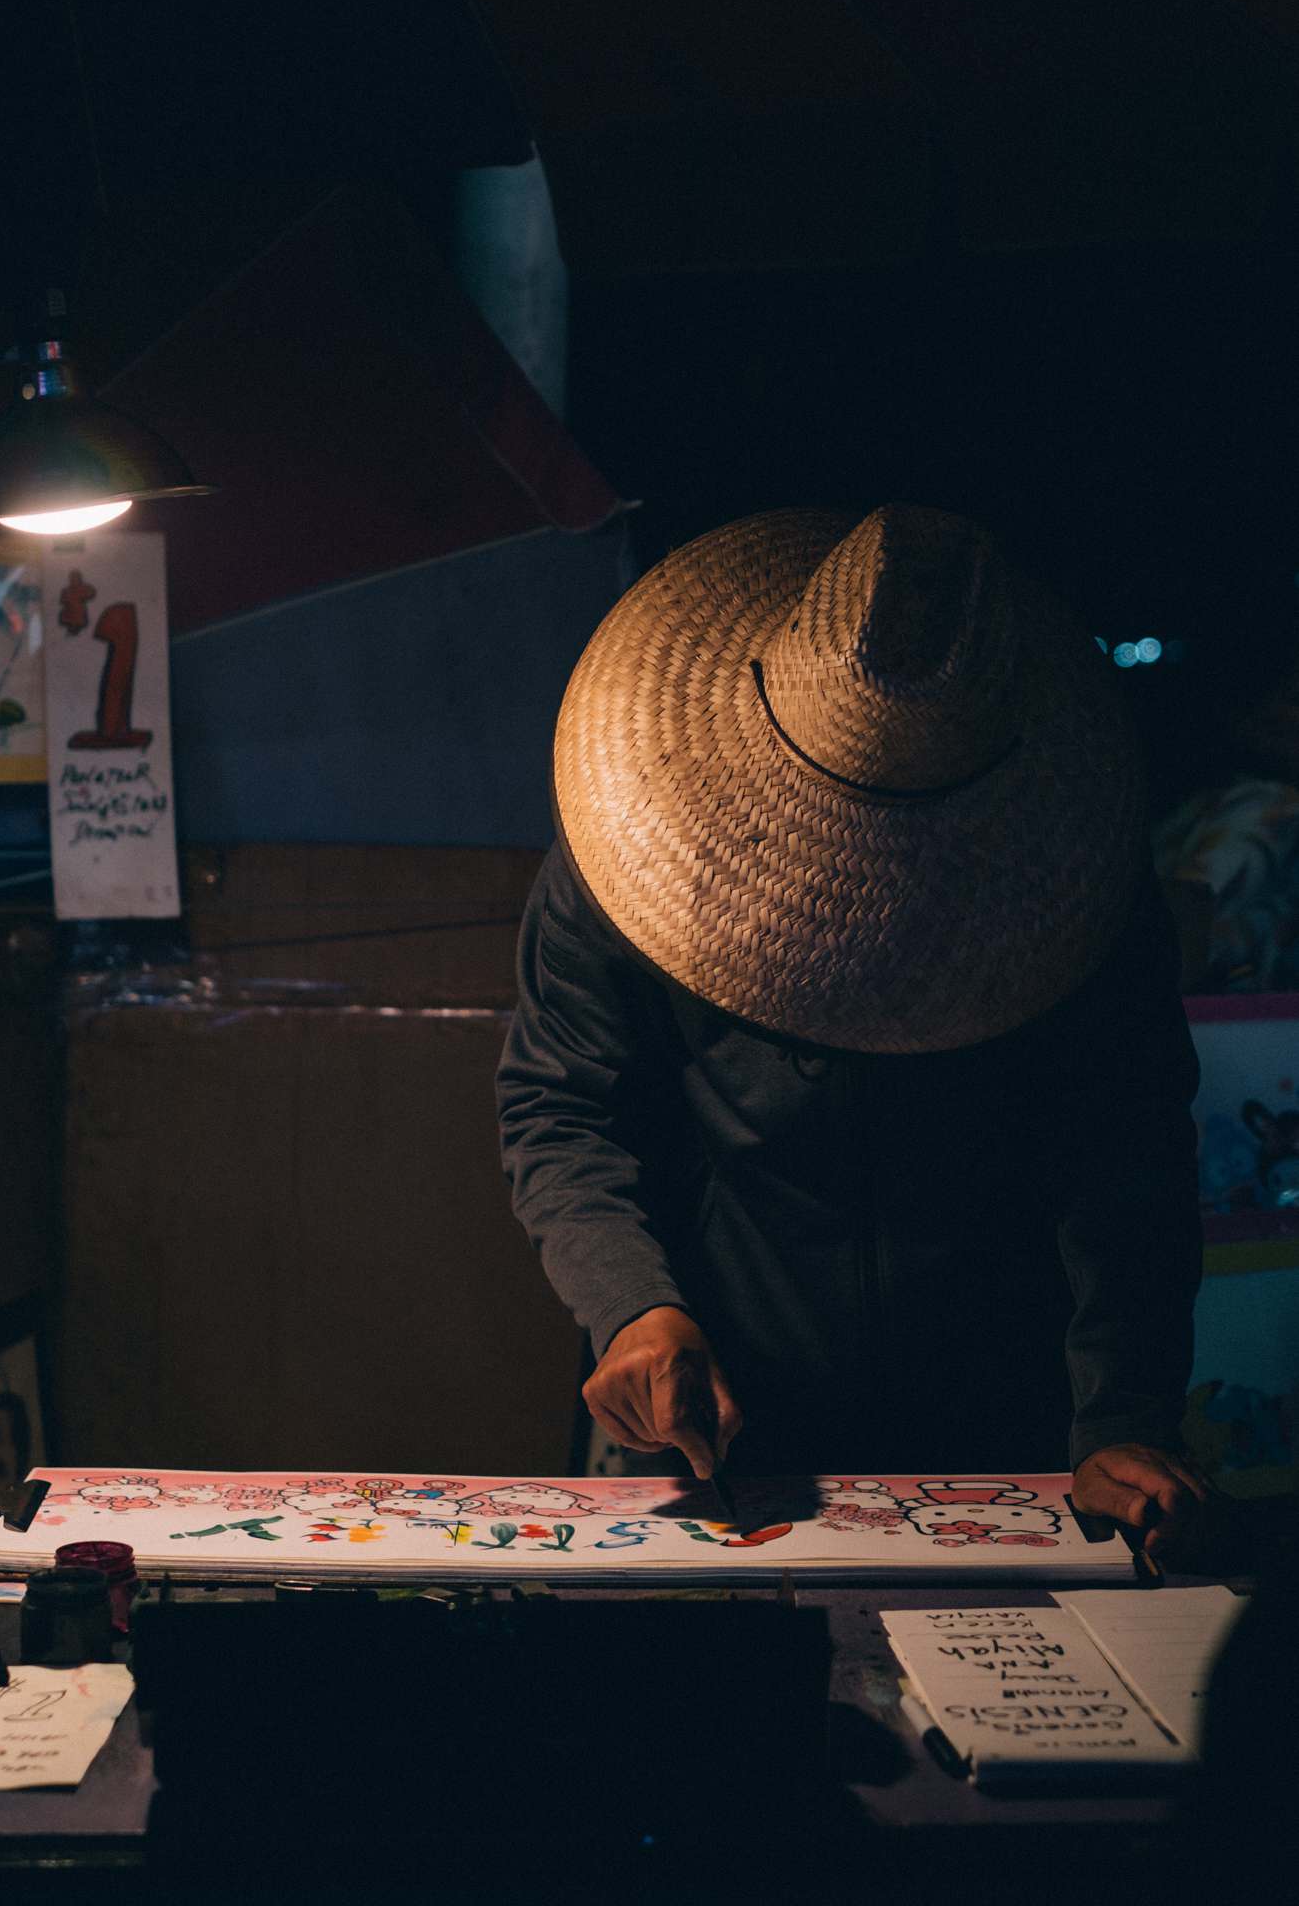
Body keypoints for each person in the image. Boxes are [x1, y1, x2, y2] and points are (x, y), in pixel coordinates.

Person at [497, 504, 1209, 1556]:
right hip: (714, 1397)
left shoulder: (1082, 883)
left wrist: (1123, 1413)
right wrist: (632, 1307)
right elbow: (560, 1102)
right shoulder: (629, 833)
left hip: (1007, 1413)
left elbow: (1128, 1145)